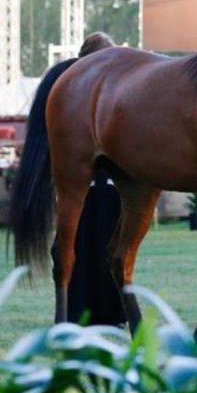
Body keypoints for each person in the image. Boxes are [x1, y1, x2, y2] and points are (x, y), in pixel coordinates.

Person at [55, 31, 125, 326]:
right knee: (80, 245)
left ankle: (111, 311)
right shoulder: (72, 95)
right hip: (85, 187)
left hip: (110, 189)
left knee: (113, 247)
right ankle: (77, 310)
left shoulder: (118, 94)